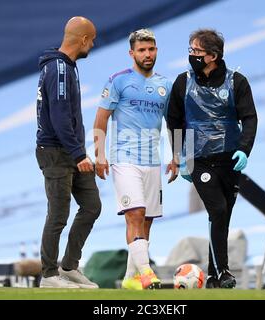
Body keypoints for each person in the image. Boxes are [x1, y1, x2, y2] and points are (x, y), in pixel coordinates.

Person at [166, 29, 257, 289]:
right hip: (199, 159)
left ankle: (215, 279)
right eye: (191, 50)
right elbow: (173, 121)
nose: (191, 55)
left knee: (223, 216)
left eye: (197, 51)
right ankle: (224, 271)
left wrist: (244, 149)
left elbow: (249, 117)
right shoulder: (182, 83)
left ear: (212, 56)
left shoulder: (237, 81)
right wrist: (179, 156)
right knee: (216, 209)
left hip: (230, 158)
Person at [93, 29, 172, 290]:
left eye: (151, 49)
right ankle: (147, 273)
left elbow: (175, 123)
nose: (147, 54)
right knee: (135, 214)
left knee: (146, 221)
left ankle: (129, 279)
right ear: (132, 53)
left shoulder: (165, 85)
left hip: (153, 162)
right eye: (142, 50)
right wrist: (100, 154)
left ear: (157, 50)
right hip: (124, 160)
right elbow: (101, 118)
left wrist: (180, 159)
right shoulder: (118, 81)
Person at [35, 16, 101, 288]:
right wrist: (78, 154)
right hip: (57, 152)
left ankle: (69, 265)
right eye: (92, 40)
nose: (93, 45)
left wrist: (80, 152)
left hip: (71, 150)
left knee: (92, 206)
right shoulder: (59, 69)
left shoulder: (68, 67)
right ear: (83, 39)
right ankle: (49, 274)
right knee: (58, 214)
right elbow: (60, 117)